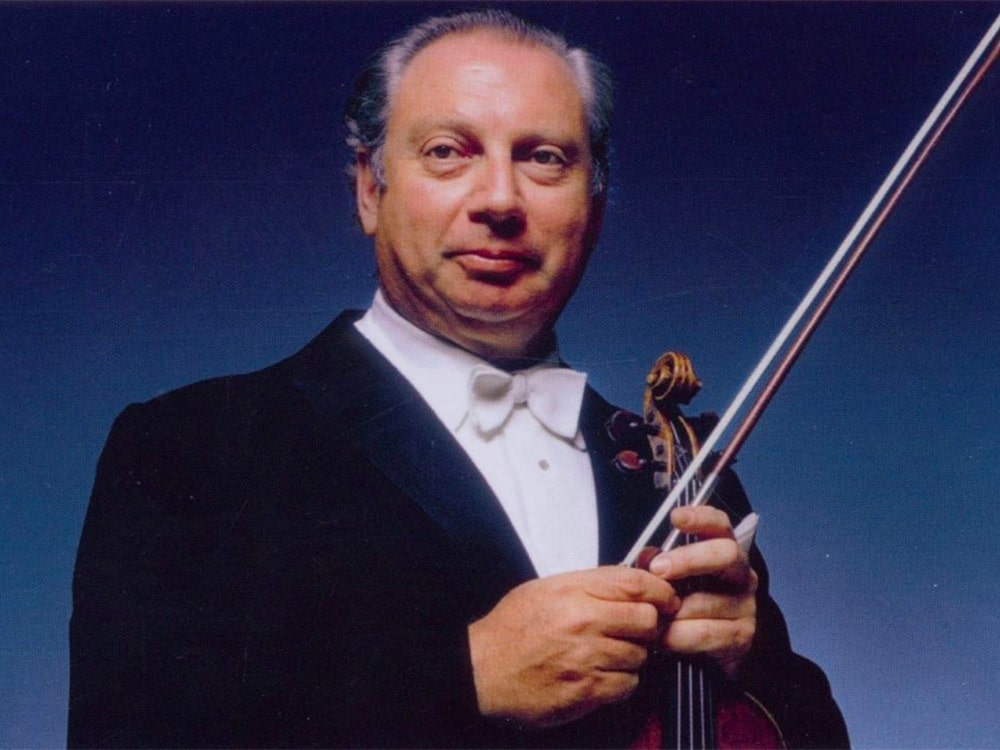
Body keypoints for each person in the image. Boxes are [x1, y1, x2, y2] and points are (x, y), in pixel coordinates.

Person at [68, 10, 848, 748]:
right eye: (449, 152)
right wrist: (462, 676)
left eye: (544, 158)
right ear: (369, 190)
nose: (501, 200)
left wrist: (746, 663)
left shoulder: (680, 480)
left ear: (596, 205)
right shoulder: (191, 447)